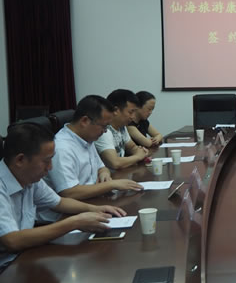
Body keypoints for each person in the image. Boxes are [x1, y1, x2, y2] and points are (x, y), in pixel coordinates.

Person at [0, 123, 125, 271]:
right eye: (46, 161)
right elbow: (12, 240)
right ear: (20, 160)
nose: (50, 167)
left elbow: (59, 202)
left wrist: (96, 209)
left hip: (24, 256)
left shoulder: (29, 178)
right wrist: (74, 222)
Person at [43, 95, 142, 215]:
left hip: (92, 203)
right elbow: (69, 193)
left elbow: (101, 167)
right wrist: (111, 184)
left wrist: (104, 174)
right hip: (67, 215)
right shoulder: (62, 148)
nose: (105, 131)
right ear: (85, 121)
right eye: (104, 126)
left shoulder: (86, 138)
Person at [95, 89, 148, 169]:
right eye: (131, 112)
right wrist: (138, 157)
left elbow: (132, 147)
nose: (133, 117)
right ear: (116, 110)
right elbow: (115, 163)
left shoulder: (122, 127)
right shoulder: (103, 131)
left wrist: (141, 152)